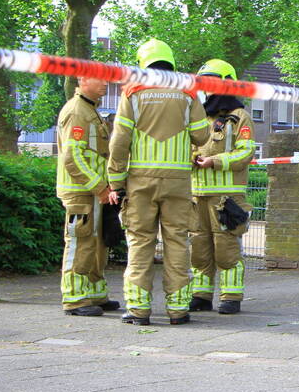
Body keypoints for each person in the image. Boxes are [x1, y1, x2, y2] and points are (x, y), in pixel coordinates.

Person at [107, 39, 210, 325]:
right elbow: (202, 136)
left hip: (140, 181)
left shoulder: (133, 91)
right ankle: (178, 309)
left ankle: (139, 310)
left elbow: (119, 141)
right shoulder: (188, 91)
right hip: (178, 182)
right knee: (177, 241)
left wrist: (116, 181)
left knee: (140, 242)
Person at [188, 59, 257, 315]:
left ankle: (231, 297)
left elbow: (246, 153)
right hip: (198, 196)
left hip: (226, 198)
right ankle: (201, 295)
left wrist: (214, 162)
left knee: (227, 249)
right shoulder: (199, 116)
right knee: (199, 249)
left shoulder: (239, 117)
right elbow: (188, 145)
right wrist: (191, 157)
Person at [56, 75, 120, 316]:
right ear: (83, 80)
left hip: (91, 192)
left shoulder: (88, 110)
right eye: (99, 79)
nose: (105, 83)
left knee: (96, 243)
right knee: (80, 243)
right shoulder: (77, 112)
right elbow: (73, 157)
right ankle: (75, 299)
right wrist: (100, 187)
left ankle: (93, 294)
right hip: (81, 192)